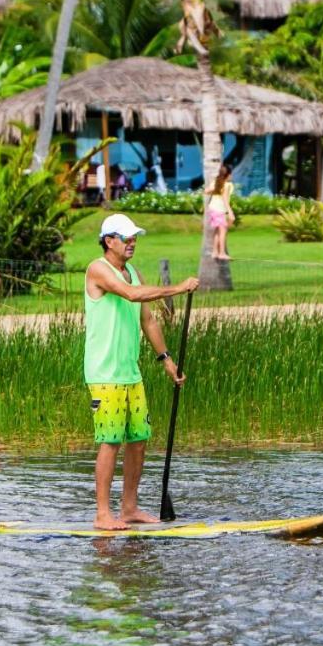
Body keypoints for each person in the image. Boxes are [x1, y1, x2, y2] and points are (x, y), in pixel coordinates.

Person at [85, 213, 199, 530]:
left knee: (138, 439)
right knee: (111, 440)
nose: (133, 241)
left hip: (130, 372)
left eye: (135, 236)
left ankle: (130, 508)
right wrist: (177, 288)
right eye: (126, 237)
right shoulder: (97, 269)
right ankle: (102, 514)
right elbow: (132, 295)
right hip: (105, 373)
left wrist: (166, 359)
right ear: (109, 241)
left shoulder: (132, 271)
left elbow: (146, 319)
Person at [205, 163, 236, 260]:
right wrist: (230, 213)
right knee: (223, 231)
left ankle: (215, 252)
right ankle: (222, 253)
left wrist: (214, 189)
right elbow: (225, 200)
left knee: (218, 232)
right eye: (231, 174)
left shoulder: (216, 182)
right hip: (219, 211)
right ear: (228, 175)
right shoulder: (227, 185)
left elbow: (206, 191)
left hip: (212, 210)